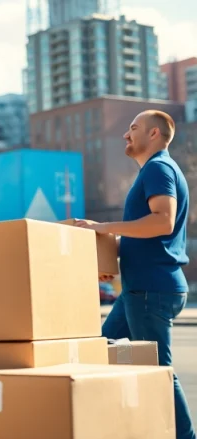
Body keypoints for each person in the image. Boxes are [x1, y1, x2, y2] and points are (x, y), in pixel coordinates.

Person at [77, 110, 195, 439]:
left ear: (154, 134)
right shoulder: (156, 171)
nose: (126, 135)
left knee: (157, 372)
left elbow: (162, 222)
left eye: (133, 128)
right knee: (101, 351)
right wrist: (109, 263)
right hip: (140, 289)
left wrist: (103, 227)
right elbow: (147, 236)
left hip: (150, 291)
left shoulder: (158, 168)